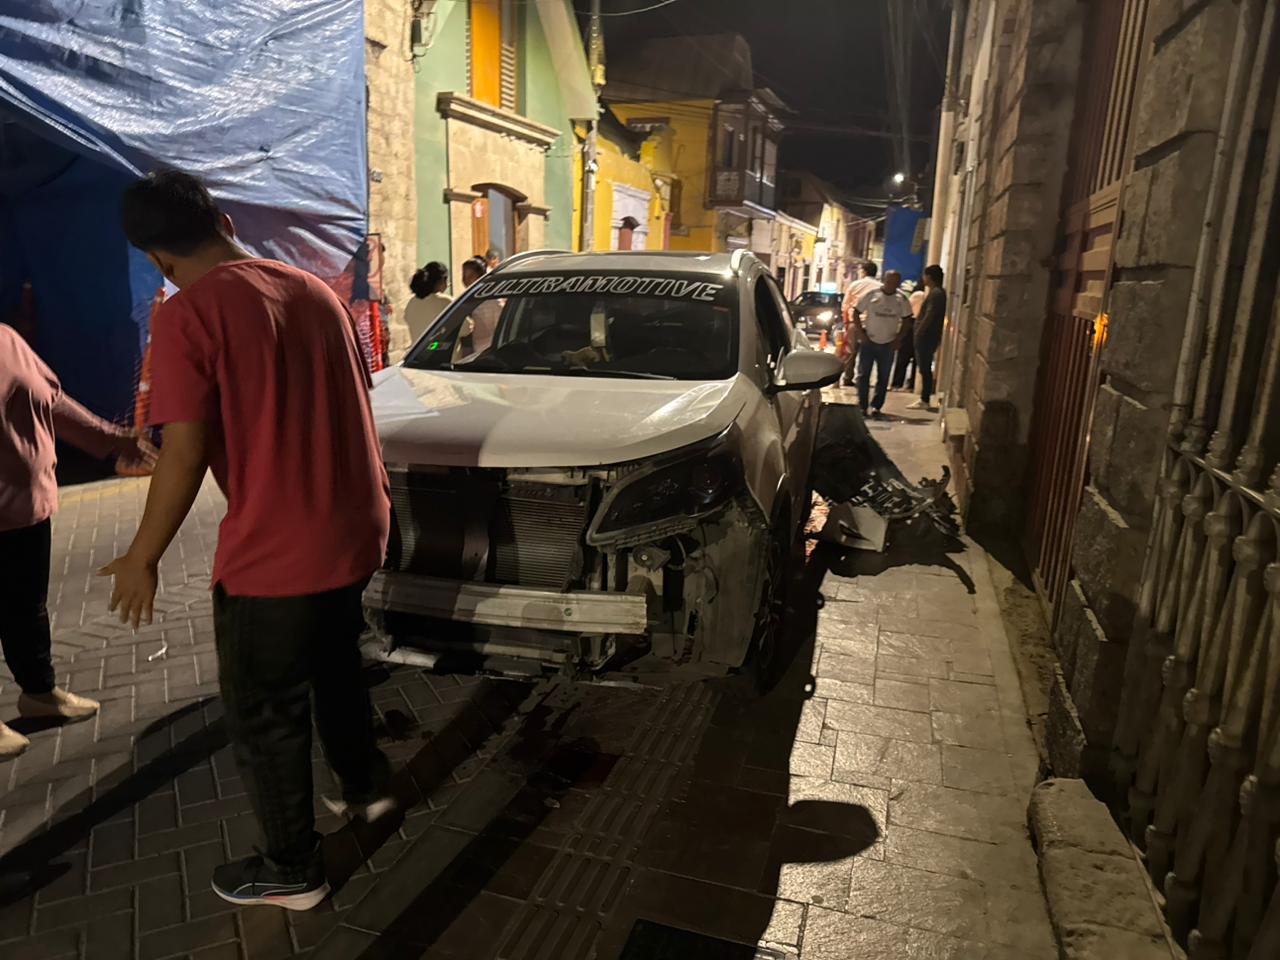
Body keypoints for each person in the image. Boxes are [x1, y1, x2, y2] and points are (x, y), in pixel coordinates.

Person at [105, 170, 391, 911]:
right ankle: (365, 789)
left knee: (265, 711)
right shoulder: (315, 290)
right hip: (358, 526)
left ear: (156, 259)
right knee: (335, 665)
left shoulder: (186, 315)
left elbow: (185, 452)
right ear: (223, 218)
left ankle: (292, 869)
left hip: (278, 550)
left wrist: (143, 557)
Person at [0, 327, 155, 759]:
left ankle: (39, 693)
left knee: (25, 608)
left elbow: (50, 400)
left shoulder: (5, 339)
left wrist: (111, 440)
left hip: (26, 507)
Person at [852, 269, 914, 418]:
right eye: (889, 281)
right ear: (884, 280)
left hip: (888, 344)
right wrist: (861, 333)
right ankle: (862, 406)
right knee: (863, 375)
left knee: (884, 377)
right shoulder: (872, 295)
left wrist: (899, 338)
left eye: (895, 282)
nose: (892, 284)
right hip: (869, 341)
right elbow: (855, 312)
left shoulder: (901, 299)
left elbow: (907, 320)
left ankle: (876, 406)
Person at [908, 264, 948, 411]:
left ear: (929, 277)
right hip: (926, 335)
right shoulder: (935, 292)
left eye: (925, 276)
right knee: (923, 366)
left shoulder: (936, 293)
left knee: (924, 367)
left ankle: (924, 398)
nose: (923, 279)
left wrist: (920, 331)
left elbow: (930, 314)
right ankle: (924, 397)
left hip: (927, 336)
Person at [840, 261, 881, 387]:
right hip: (873, 324)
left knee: (851, 351)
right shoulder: (880, 287)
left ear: (864, 271)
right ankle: (863, 378)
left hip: (855, 322)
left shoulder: (855, 285)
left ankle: (848, 377)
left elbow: (845, 306)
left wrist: (846, 323)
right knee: (869, 352)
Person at [402, 261, 451, 344]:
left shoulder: (411, 303)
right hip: (440, 351)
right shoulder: (445, 302)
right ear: (442, 280)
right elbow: (466, 328)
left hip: (418, 353)